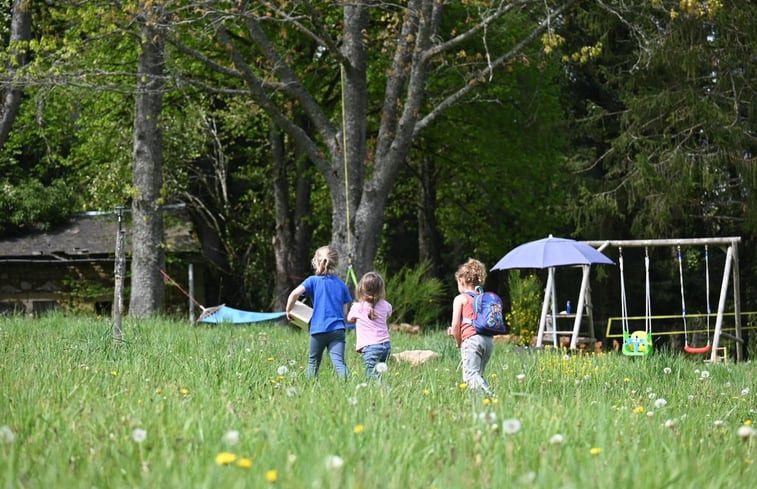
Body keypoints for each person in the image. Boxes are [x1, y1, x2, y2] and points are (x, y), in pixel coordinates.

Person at [286, 245, 352, 379]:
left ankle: (311, 388)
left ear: (316, 262)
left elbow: (294, 294)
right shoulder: (342, 285)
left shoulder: (313, 281)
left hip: (318, 329)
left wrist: (289, 309)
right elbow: (345, 312)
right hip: (338, 330)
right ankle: (350, 386)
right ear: (335, 263)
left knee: (313, 362)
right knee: (339, 363)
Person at [447, 258, 494, 395]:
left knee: (470, 376)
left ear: (461, 280)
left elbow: (455, 325)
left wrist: (458, 342)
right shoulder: (483, 299)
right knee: (478, 375)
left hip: (471, 341)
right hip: (488, 341)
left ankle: (491, 397)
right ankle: (479, 403)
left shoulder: (460, 299)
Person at [347, 271, 392, 378]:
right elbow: (387, 315)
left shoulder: (358, 307)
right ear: (381, 290)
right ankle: (382, 392)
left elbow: (349, 319)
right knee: (380, 374)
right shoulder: (386, 305)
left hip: (370, 347)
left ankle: (383, 392)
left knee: (372, 377)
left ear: (361, 289)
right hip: (386, 346)